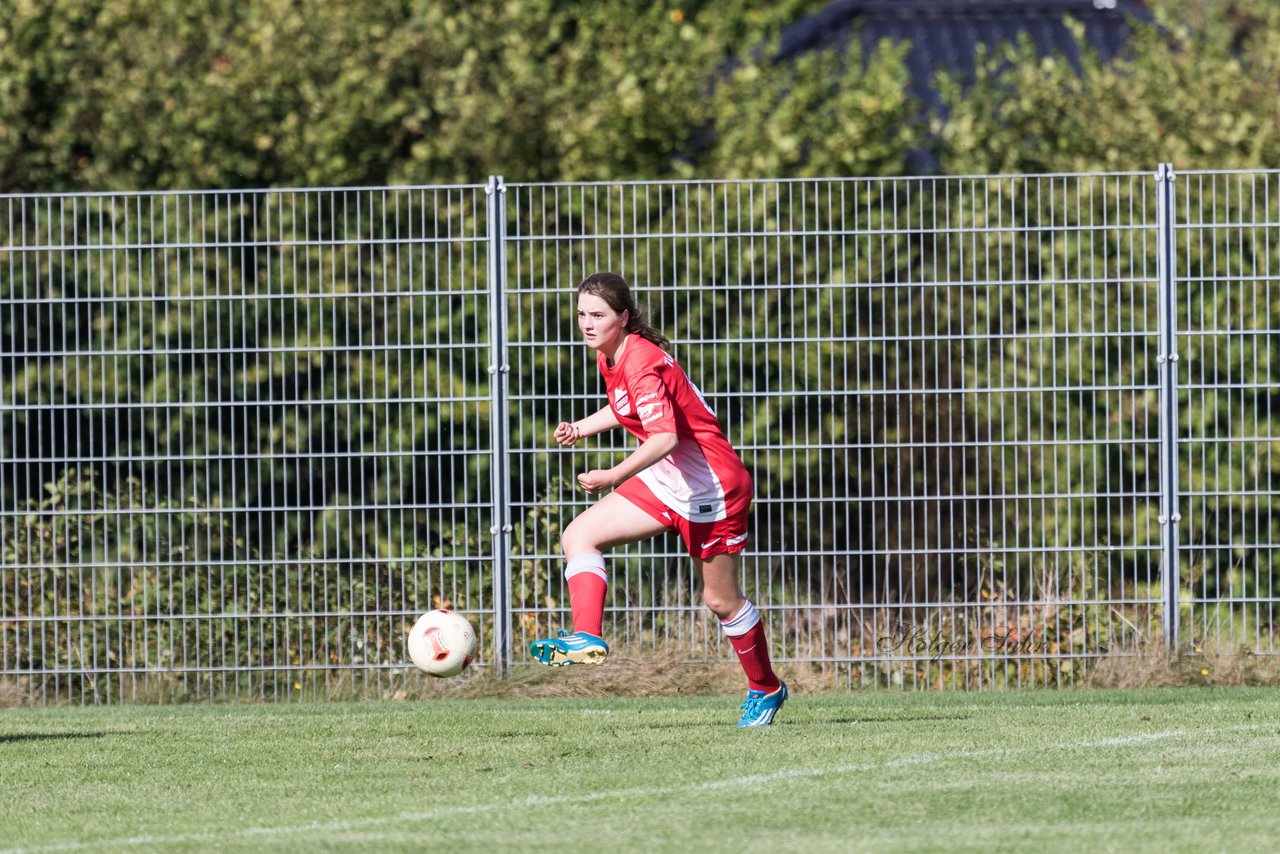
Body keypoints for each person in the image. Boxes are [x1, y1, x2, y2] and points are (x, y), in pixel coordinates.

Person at [529, 271, 787, 727]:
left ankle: (766, 688)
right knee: (580, 536)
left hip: (711, 488)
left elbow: (665, 437)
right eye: (582, 315)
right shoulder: (612, 354)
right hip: (667, 481)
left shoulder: (640, 361)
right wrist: (581, 428)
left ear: (623, 317)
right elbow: (629, 408)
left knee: (720, 601)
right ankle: (587, 636)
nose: (588, 324)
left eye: (599, 315)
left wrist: (614, 474)